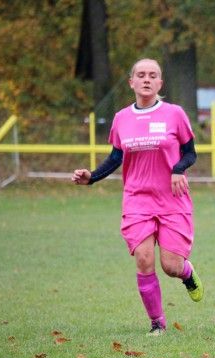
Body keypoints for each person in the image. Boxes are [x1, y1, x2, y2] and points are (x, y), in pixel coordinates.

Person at [72, 58, 203, 335]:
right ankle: (157, 323)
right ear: (131, 82)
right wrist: (91, 177)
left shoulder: (175, 114)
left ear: (160, 83)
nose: (146, 79)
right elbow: (116, 157)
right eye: (141, 75)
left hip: (172, 198)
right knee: (144, 259)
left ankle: (187, 273)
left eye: (152, 75)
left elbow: (190, 153)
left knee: (170, 266)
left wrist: (178, 169)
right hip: (137, 199)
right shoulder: (122, 118)